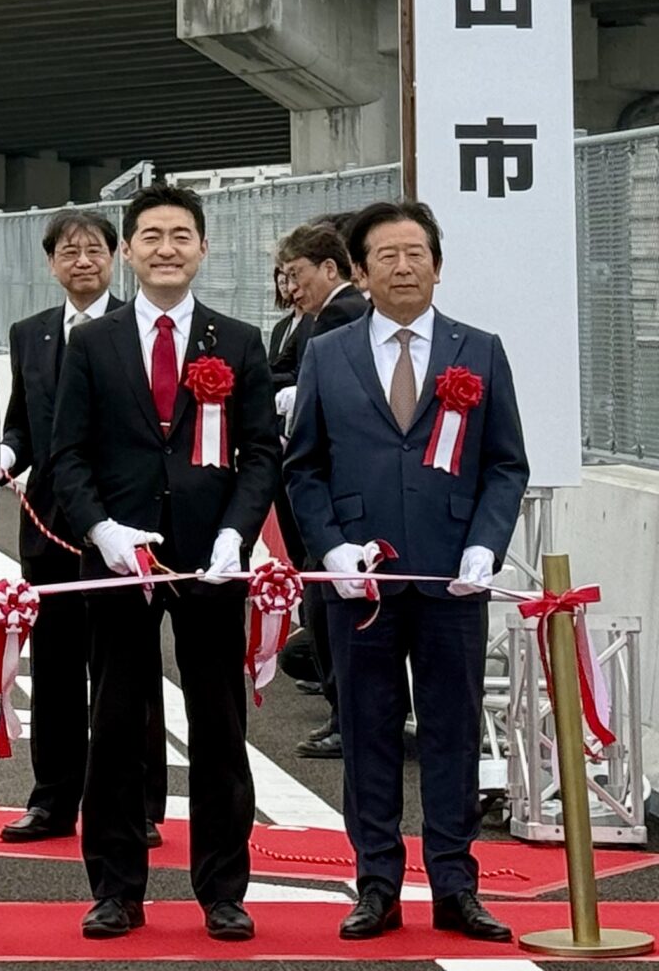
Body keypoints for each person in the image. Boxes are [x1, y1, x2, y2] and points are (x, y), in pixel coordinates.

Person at [286, 200, 529, 946]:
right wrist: (329, 551)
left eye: (416, 252)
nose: (402, 266)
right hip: (361, 585)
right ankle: (377, 884)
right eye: (385, 255)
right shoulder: (329, 355)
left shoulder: (478, 350)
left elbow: (504, 463)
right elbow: (304, 469)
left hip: (452, 579)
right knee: (368, 732)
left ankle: (456, 885)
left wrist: (485, 545)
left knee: (453, 734)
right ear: (359, 270)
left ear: (437, 264)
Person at [47, 183, 276, 945]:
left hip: (211, 558)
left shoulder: (239, 342)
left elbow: (261, 455)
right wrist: (100, 531)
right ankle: (115, 888)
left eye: (181, 234)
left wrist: (236, 535)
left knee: (219, 724)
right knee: (112, 721)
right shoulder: (93, 343)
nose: (166, 247)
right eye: (151, 235)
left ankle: (222, 890)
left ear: (203, 248)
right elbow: (66, 455)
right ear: (130, 251)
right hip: (119, 555)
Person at [0, 211, 166, 850]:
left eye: (94, 250)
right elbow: (23, 420)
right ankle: (53, 799)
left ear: (115, 257)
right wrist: (8, 454)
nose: (82, 261)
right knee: (58, 666)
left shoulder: (136, 327)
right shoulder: (30, 334)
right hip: (50, 524)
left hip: (121, 524)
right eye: (68, 252)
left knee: (126, 666)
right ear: (51, 264)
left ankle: (139, 801)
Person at [269, 219, 370, 761]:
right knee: (322, 600)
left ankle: (344, 715)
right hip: (320, 480)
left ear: (329, 267)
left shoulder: (341, 314)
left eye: (297, 275)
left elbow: (314, 386)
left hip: (331, 484)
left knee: (332, 604)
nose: (291, 288)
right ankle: (342, 711)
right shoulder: (319, 317)